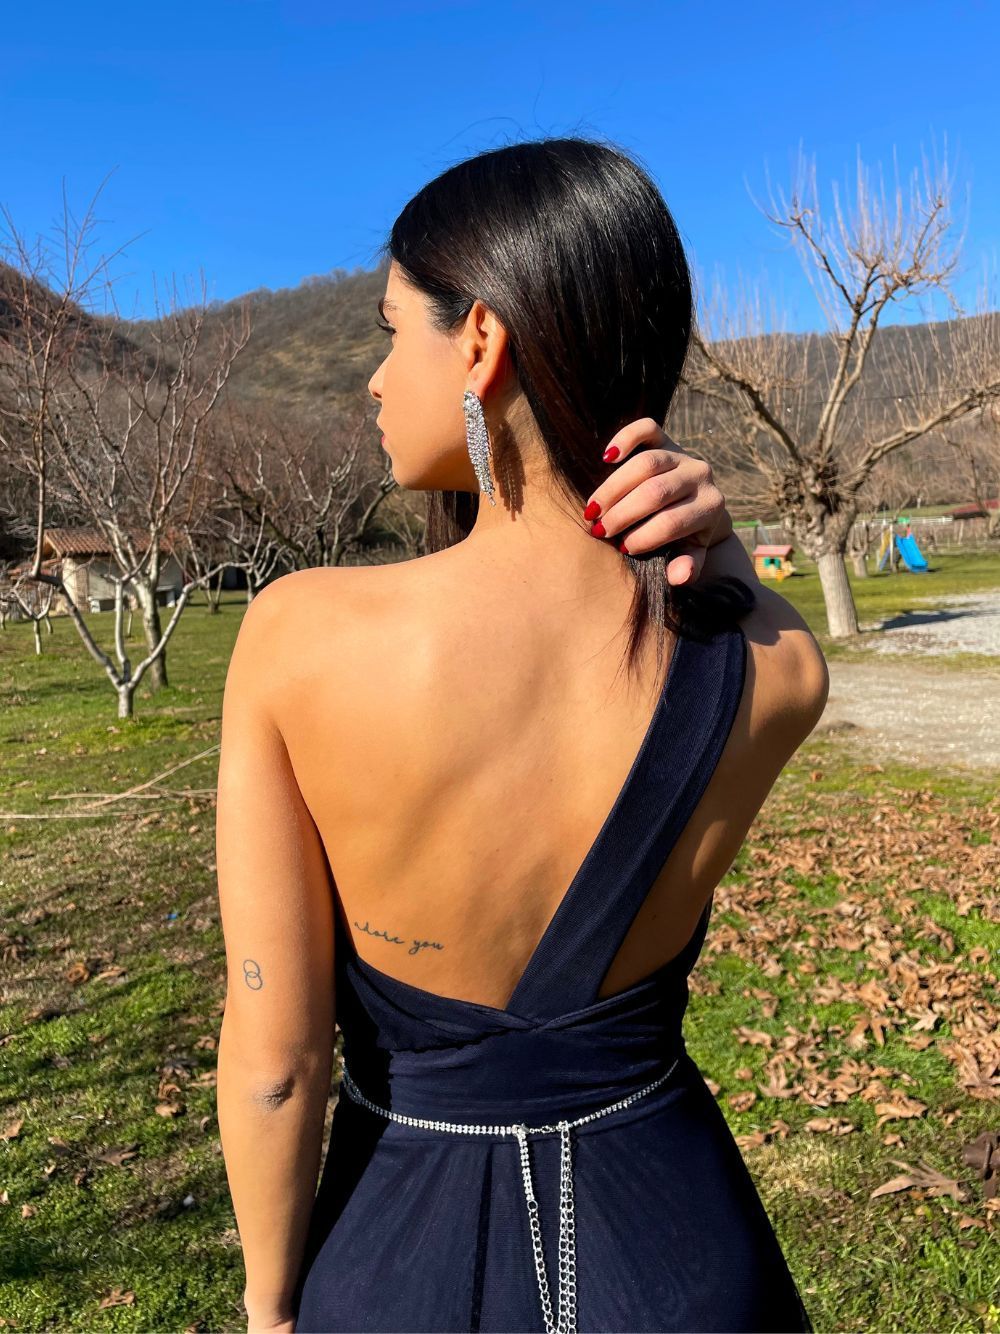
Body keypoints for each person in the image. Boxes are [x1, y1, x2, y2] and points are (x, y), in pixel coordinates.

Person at [215, 137, 827, 1334]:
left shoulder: (299, 637)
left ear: (480, 342)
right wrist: (721, 546)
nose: (374, 381)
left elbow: (277, 1063)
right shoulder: (774, 664)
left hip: (400, 1262)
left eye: (392, 332)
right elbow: (759, 621)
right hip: (683, 1259)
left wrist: (270, 1304)